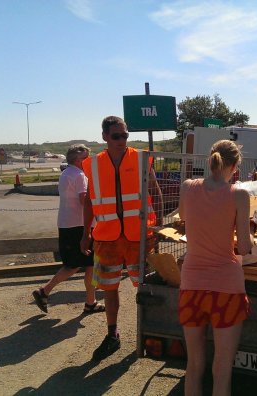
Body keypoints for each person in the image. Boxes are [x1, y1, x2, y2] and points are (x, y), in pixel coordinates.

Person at [80, 116, 161, 361]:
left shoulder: (140, 158)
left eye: (125, 135)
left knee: (147, 288)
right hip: (107, 239)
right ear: (104, 136)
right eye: (116, 136)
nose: (121, 140)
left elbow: (154, 191)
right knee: (109, 287)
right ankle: (112, 334)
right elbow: (89, 201)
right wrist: (85, 234)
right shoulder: (92, 164)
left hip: (140, 236)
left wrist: (158, 229)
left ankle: (150, 334)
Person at [177, 140, 253, 396]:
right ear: (234, 166)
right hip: (226, 288)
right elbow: (243, 248)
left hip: (191, 285)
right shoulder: (239, 195)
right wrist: (249, 230)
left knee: (194, 365)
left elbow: (183, 217)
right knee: (222, 368)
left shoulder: (188, 187)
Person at [31, 144, 105, 314]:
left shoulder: (66, 173)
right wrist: (99, 217)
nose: (90, 159)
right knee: (76, 265)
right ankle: (45, 291)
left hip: (67, 224)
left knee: (89, 265)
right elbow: (84, 200)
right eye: (87, 156)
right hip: (80, 226)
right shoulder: (79, 175)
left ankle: (90, 301)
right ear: (80, 160)